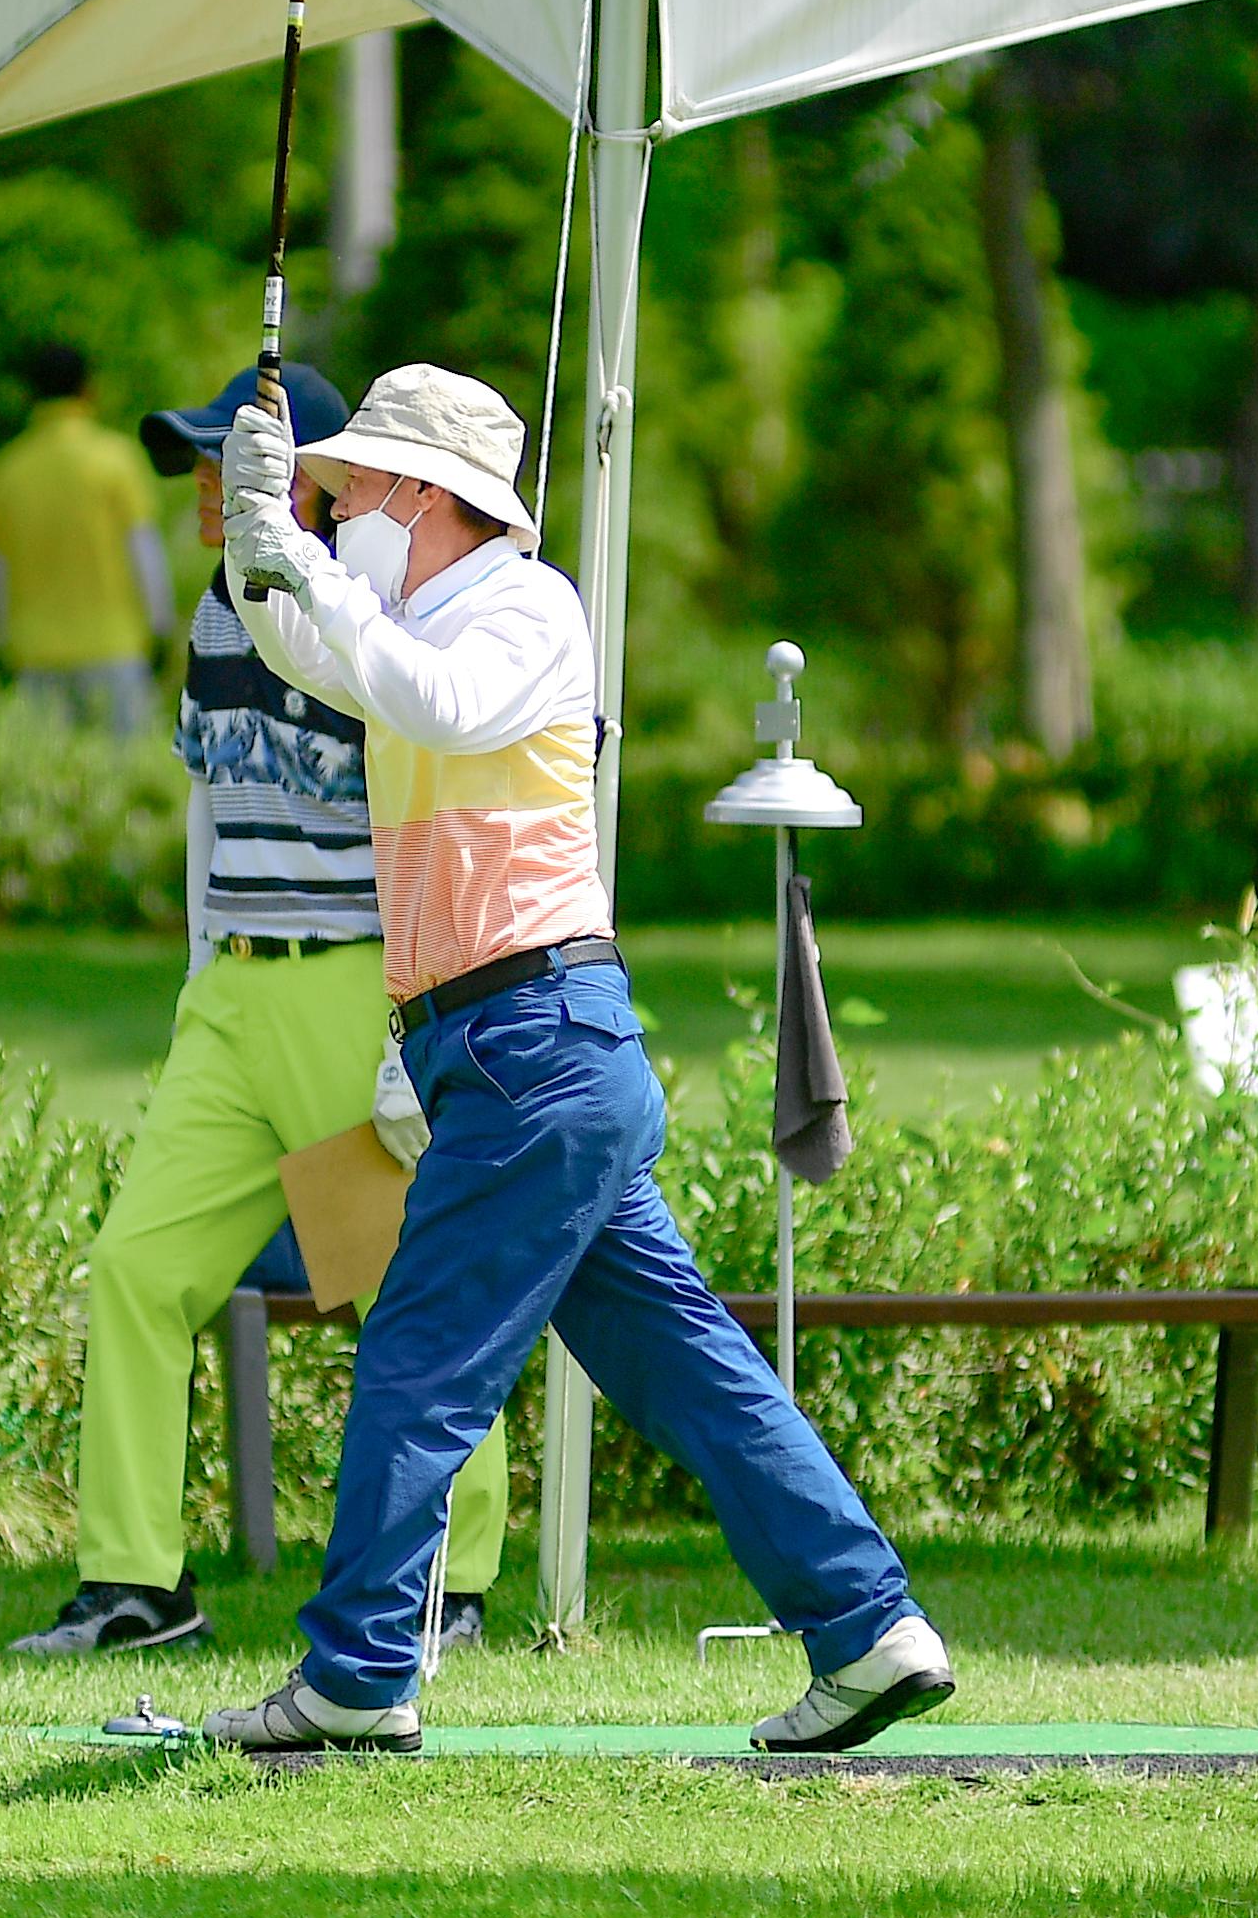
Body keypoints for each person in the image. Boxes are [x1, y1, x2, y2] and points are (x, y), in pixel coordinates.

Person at [205, 364, 956, 1755]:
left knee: (419, 1359)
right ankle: (869, 1624)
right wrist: (266, 545)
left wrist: (300, 556)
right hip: (515, 1052)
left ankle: (360, 1675)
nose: (344, 502)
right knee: (686, 1367)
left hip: (530, 1044)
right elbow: (322, 649)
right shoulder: (413, 608)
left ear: (427, 497)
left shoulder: (523, 611)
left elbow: (421, 694)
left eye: (357, 485)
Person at [8, 361, 510, 1659]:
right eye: (192, 465)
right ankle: (133, 1583)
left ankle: (448, 1584)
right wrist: (196, 969)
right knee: (138, 1269)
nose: (196, 489)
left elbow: (433, 813)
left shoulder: (373, 604)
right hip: (230, 995)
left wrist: (417, 1004)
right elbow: (206, 816)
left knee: (414, 1288)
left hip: (355, 991)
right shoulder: (211, 619)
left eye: (216, 464)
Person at [0, 341, 172, 737]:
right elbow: (143, 550)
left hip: (34, 656)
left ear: (30, 393)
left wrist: (3, 643)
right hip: (115, 648)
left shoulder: (4, 472)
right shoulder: (116, 459)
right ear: (88, 388)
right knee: (125, 785)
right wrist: (160, 627)